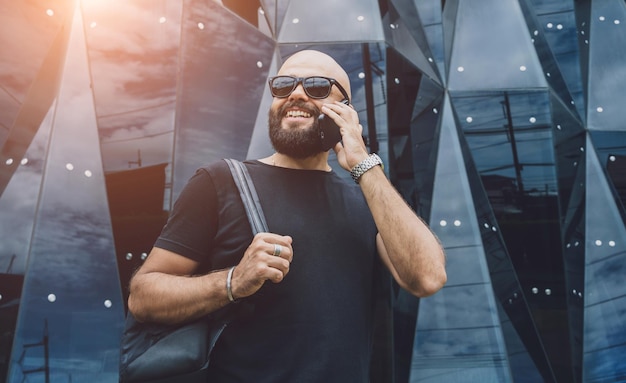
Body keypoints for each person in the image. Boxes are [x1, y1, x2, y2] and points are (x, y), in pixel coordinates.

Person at [127, 49, 447, 382]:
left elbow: (426, 277)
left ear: (346, 112)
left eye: (317, 86)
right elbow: (143, 296)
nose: (296, 93)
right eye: (283, 85)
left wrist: (363, 164)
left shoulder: (368, 199)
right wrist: (232, 282)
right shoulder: (219, 181)